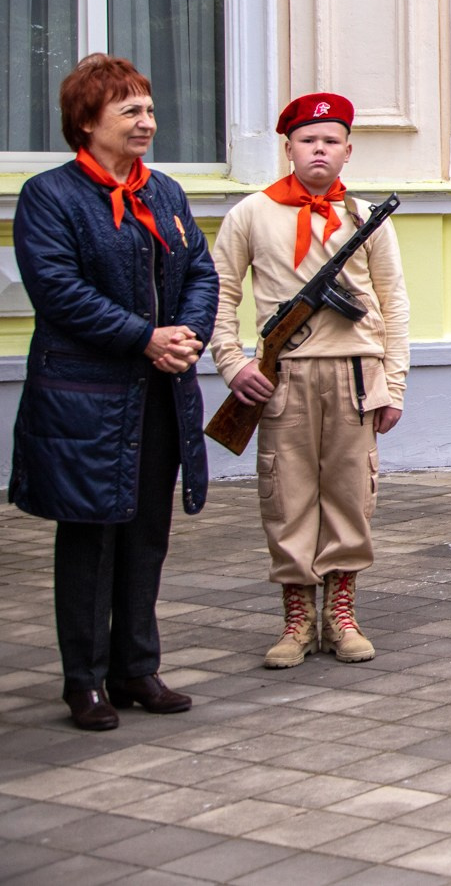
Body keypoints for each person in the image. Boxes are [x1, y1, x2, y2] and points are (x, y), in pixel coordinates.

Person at [9, 55, 217, 731]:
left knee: (145, 535)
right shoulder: (50, 196)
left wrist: (187, 334)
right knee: (90, 539)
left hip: (158, 393)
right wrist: (144, 337)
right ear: (86, 120)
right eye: (130, 110)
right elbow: (58, 291)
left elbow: (201, 271)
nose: (146, 121)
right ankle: (85, 681)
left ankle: (137, 669)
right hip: (86, 398)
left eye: (149, 109)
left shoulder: (165, 193)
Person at [209, 94, 409, 666]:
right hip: (283, 378)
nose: (319, 150)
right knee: (287, 495)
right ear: (289, 148)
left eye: (330, 141)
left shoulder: (366, 219)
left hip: (355, 376)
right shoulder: (251, 213)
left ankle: (341, 615)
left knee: (351, 494)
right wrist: (233, 363)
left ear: (348, 151)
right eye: (307, 140)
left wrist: (394, 385)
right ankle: (297, 619)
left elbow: (394, 304)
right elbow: (220, 293)